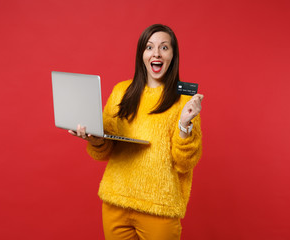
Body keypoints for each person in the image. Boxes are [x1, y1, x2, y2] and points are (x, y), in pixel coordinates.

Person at [69, 24, 203, 240]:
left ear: (173, 55)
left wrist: (185, 125)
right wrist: (94, 139)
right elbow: (104, 151)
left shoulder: (185, 100)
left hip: (159, 208)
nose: (156, 53)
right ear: (142, 54)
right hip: (116, 202)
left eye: (164, 47)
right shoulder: (121, 91)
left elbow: (185, 163)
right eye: (149, 47)